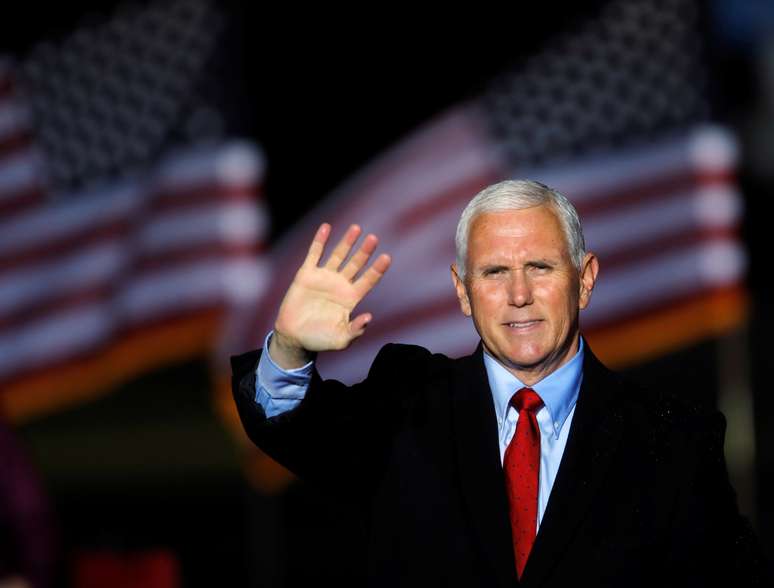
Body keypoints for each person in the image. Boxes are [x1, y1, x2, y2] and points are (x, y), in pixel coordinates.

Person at [230, 179, 770, 587]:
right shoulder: (407, 403)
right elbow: (297, 430)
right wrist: (291, 348)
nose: (518, 295)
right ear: (462, 291)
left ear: (584, 281)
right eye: (493, 273)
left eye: (539, 267)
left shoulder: (671, 440)